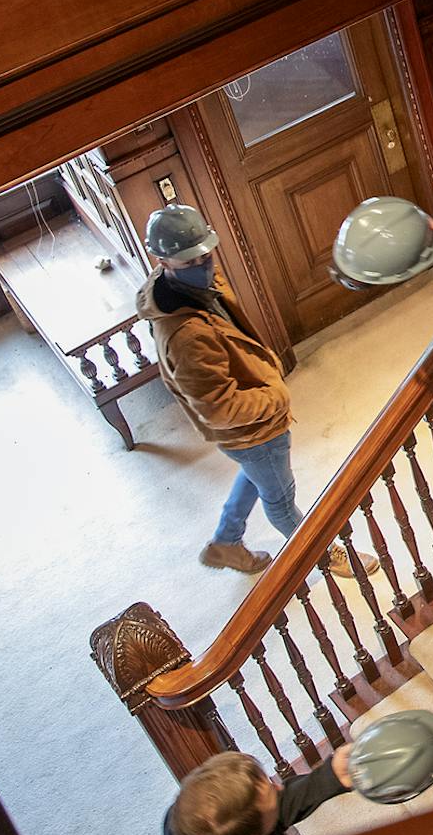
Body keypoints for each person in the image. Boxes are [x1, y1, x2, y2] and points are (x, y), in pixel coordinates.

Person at [136, 203, 374, 578]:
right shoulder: (186, 337)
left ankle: (225, 543)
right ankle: (325, 556)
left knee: (255, 472)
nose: (204, 265)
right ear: (163, 261)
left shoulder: (183, 289)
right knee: (280, 500)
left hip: (251, 440)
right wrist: (275, 396)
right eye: (190, 261)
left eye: (205, 254)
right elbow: (218, 407)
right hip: (254, 431)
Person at [150, 746, 350, 835]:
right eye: (273, 791)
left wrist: (332, 775)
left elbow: (279, 804)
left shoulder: (186, 817)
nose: (279, 787)